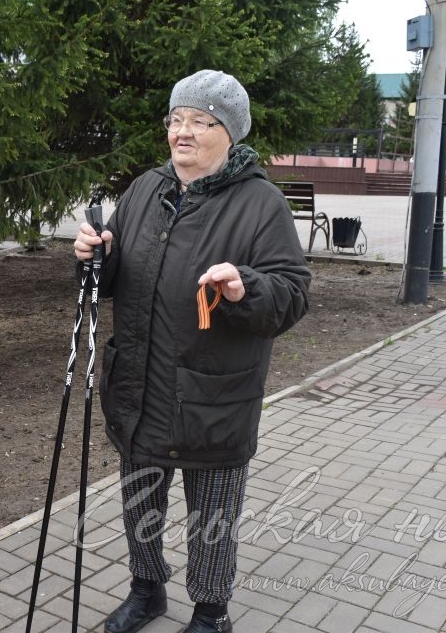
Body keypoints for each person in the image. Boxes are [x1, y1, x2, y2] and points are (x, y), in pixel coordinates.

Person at [74, 70, 310, 633]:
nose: (183, 132)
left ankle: (211, 612)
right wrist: (92, 256)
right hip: (138, 384)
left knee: (213, 515)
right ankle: (146, 590)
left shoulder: (260, 204)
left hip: (214, 395)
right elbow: (114, 277)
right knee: (140, 505)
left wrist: (244, 287)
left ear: (228, 133)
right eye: (176, 119)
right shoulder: (145, 190)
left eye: (200, 121)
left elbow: (293, 293)